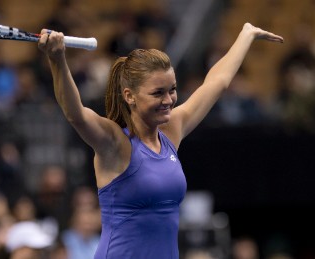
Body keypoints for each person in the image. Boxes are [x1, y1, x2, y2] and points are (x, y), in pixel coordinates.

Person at [38, 23, 283, 259]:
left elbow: (217, 83)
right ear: (129, 96)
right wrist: (57, 59)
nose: (168, 100)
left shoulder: (171, 130)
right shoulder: (114, 143)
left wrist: (246, 34)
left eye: (172, 89)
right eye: (158, 93)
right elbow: (75, 114)